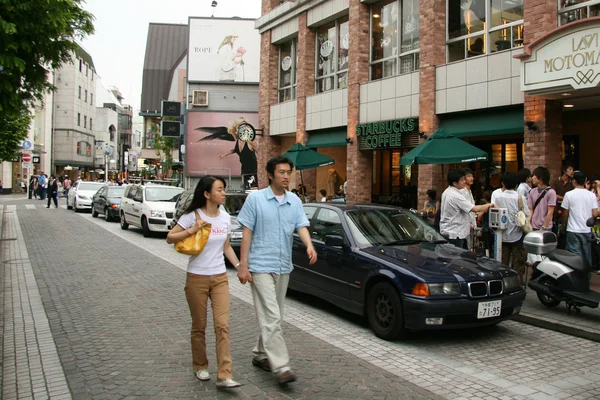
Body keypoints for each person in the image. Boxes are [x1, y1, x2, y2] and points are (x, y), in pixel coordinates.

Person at [236, 156, 317, 385]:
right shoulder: (256, 200)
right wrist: (243, 265)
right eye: (281, 172)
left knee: (276, 315)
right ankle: (281, 366)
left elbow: (301, 225)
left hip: (283, 266)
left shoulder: (294, 200)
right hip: (260, 265)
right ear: (270, 175)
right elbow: (247, 232)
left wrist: (309, 245)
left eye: (288, 172)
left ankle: (261, 354)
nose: (286, 176)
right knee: (272, 315)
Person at [165, 176, 242, 389]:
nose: (224, 193)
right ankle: (200, 365)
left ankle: (224, 374)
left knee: (222, 325)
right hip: (196, 277)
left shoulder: (225, 218)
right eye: (220, 189)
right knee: (199, 325)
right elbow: (170, 238)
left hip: (219, 278)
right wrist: (192, 229)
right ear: (207, 194)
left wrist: (239, 267)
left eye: (224, 189)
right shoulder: (193, 216)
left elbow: (226, 247)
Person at [440, 169, 494, 249]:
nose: (464, 182)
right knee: (456, 257)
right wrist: (490, 205)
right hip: (455, 233)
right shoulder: (455, 196)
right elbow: (474, 208)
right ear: (455, 183)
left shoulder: (447, 192)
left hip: (450, 231)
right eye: (462, 180)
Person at [493, 172, 528, 282]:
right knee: (518, 263)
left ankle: (503, 283)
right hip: (517, 233)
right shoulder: (520, 198)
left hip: (502, 235)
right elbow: (526, 213)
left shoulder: (498, 197)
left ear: (503, 183)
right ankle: (517, 283)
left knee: (502, 263)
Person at [561, 171, 600, 264]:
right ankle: (586, 276)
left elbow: (565, 213)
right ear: (585, 180)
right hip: (586, 230)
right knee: (586, 255)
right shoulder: (591, 195)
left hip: (572, 229)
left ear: (574, 181)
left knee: (574, 255)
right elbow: (595, 214)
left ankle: (575, 275)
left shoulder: (568, 194)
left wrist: (563, 225)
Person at [528, 166, 557, 231]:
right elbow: (531, 209)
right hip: (533, 226)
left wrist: (544, 227)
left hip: (546, 227)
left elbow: (550, 211)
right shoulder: (532, 191)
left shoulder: (551, 192)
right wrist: (528, 222)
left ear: (540, 178)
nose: (532, 178)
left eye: (534, 175)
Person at [461, 168, 477, 250]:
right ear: (463, 178)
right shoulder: (462, 191)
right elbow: (464, 209)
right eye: (469, 176)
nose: (471, 178)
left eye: (472, 176)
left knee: (471, 247)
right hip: (466, 225)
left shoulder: (469, 191)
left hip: (471, 225)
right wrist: (469, 223)